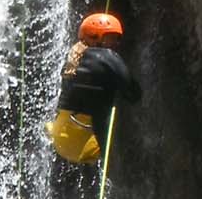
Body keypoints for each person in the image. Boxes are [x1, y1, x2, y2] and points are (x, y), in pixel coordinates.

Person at [44, 11, 140, 165]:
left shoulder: (71, 60)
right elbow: (134, 94)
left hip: (59, 138)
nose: (116, 43)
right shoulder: (109, 56)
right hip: (86, 145)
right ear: (96, 37)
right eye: (111, 38)